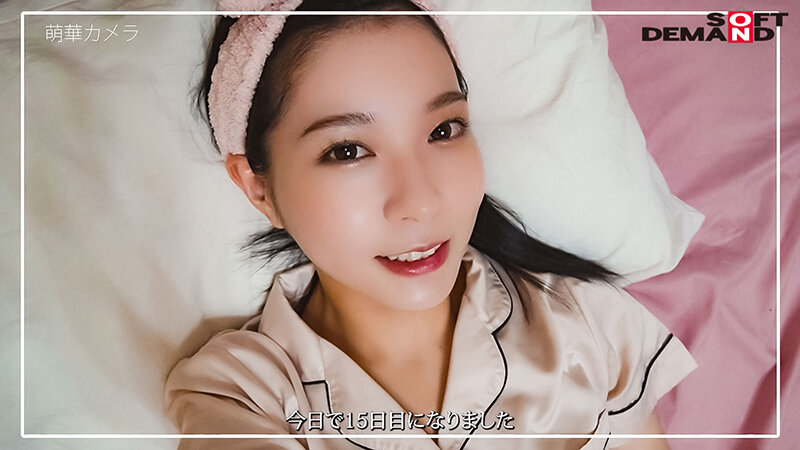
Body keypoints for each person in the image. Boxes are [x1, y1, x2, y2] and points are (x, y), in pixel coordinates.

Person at [164, 0, 697, 448]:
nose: (420, 203)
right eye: (348, 151)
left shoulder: (589, 326)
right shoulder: (239, 395)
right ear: (258, 187)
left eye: (444, 130)